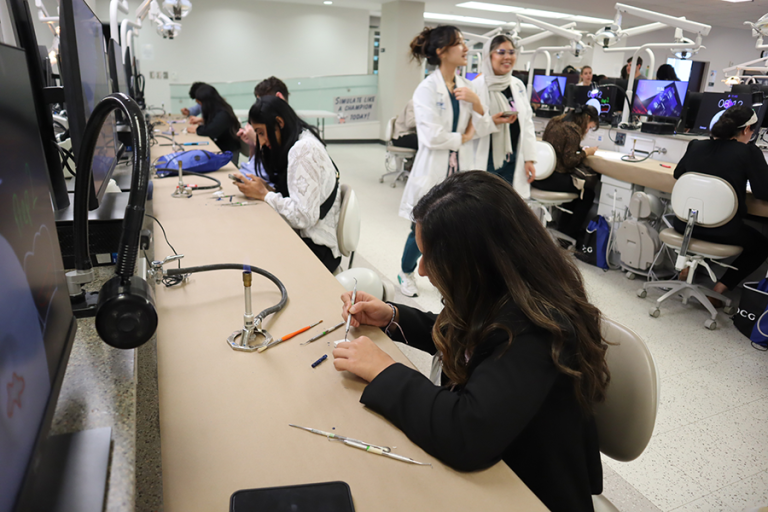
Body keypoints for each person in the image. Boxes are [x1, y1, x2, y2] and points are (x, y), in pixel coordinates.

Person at [333, 171, 609, 512]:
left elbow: (467, 431)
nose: (420, 270)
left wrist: (385, 370)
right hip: (503, 460)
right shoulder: (500, 292)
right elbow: (469, 340)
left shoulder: (538, 329)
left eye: (429, 257)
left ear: (474, 262)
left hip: (531, 490)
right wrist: (391, 316)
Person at [397, 25, 494, 297]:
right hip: (434, 166)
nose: (465, 48)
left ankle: (449, 279)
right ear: (441, 51)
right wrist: (463, 137)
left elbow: (484, 127)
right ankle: (405, 271)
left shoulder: (468, 87)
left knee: (457, 226)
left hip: (461, 167)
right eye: (459, 43)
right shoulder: (426, 89)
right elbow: (431, 137)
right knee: (423, 226)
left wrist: (477, 103)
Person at [232, 96, 342, 272]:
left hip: (316, 249)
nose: (261, 141)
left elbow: (304, 216)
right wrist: (267, 189)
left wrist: (265, 195)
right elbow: (298, 195)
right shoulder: (302, 137)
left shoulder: (303, 149)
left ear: (279, 123)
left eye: (261, 132)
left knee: (245, 246)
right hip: (307, 239)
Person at [673, 105, 768, 303]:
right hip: (722, 232)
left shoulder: (696, 145)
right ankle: (719, 289)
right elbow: (763, 192)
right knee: (761, 245)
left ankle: (687, 268)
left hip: (684, 225)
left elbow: (677, 175)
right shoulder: (748, 152)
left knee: (711, 219)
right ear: (745, 130)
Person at [472, 34, 537, 195]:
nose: (507, 57)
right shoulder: (476, 87)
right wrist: (493, 121)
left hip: (513, 158)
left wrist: (529, 159)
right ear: (489, 56)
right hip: (486, 157)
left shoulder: (517, 85)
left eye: (511, 52)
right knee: (482, 204)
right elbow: (469, 128)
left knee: (506, 206)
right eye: (501, 52)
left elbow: (527, 123)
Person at [536, 105, 600, 240]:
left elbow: (560, 147)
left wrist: (580, 149)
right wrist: (586, 152)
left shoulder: (555, 121)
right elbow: (569, 162)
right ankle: (570, 234)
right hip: (552, 178)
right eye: (589, 127)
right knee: (587, 193)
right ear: (587, 118)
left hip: (539, 176)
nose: (587, 130)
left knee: (575, 187)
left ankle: (563, 228)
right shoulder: (573, 130)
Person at [237, 76, 291, 186]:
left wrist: (257, 139)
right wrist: (252, 144)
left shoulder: (294, 140)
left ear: (279, 98)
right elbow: (256, 162)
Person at [186, 84, 242, 166]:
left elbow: (211, 131)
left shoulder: (223, 113)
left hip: (228, 152)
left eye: (200, 103)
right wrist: (202, 121)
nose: (200, 106)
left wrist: (197, 129)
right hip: (220, 148)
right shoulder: (217, 109)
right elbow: (213, 124)